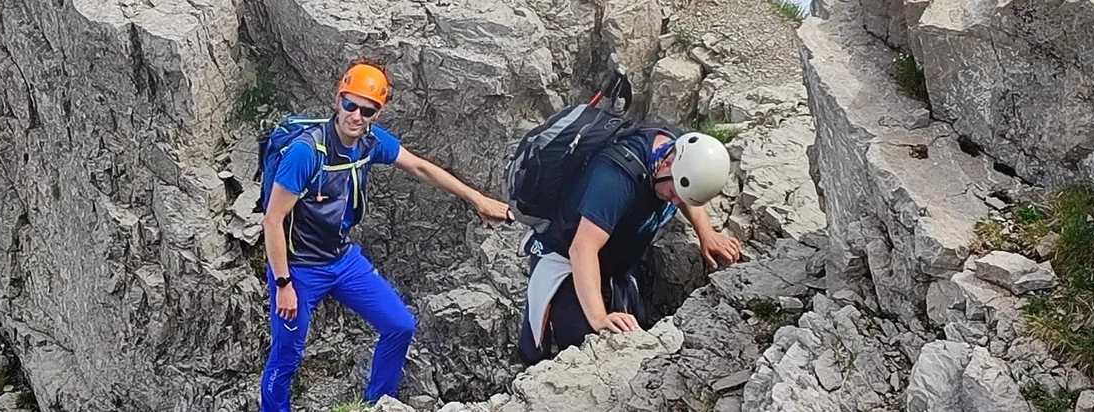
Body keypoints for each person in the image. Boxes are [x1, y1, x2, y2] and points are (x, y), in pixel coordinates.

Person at [259, 61, 513, 411]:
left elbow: (420, 167)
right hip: (298, 268)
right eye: (350, 104)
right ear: (338, 99)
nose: (356, 116)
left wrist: (477, 199)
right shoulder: (307, 152)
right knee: (287, 356)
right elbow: (272, 220)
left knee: (400, 326)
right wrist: (283, 284)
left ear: (376, 114)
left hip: (342, 260)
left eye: (367, 110)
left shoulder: (370, 142)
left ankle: (376, 404)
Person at [516, 126, 741, 364]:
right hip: (567, 260)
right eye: (673, 193)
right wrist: (599, 318)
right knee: (584, 343)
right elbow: (582, 249)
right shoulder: (616, 176)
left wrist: (706, 233)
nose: (675, 202)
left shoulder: (673, 154)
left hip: (614, 261)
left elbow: (684, 189)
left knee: (632, 336)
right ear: (667, 165)